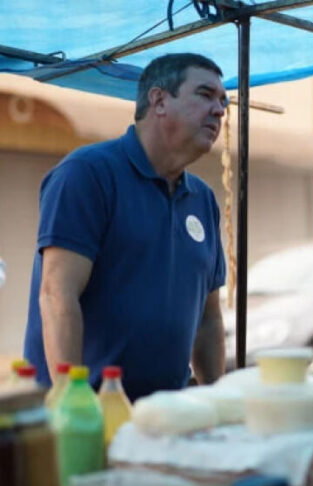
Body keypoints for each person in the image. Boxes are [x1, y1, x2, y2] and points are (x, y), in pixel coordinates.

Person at [24, 53, 229, 402]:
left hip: (166, 415)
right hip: (85, 412)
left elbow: (208, 319)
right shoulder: (88, 174)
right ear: (159, 100)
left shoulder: (203, 199)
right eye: (205, 95)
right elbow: (58, 294)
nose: (220, 110)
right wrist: (73, 403)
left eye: (223, 101)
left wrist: (217, 400)